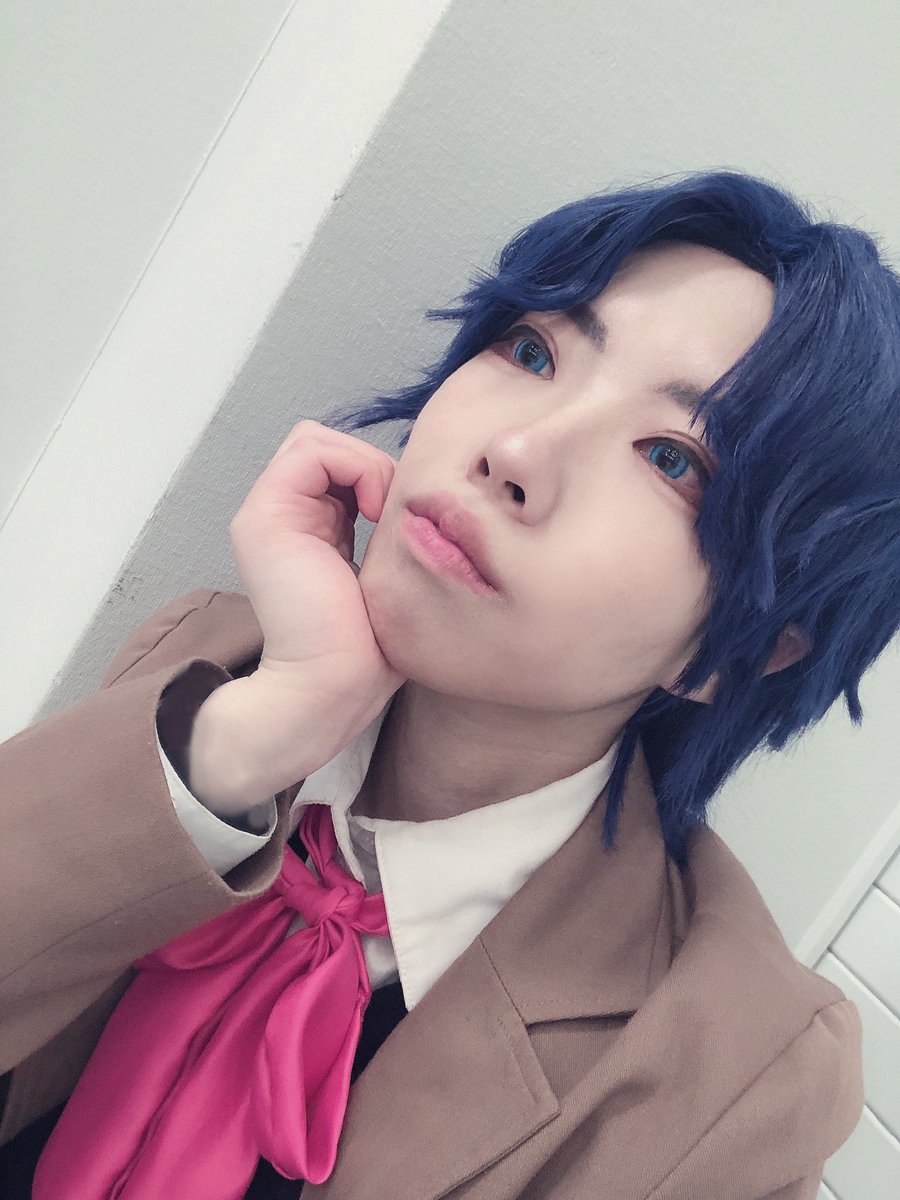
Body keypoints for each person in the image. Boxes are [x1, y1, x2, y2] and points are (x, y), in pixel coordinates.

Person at [1, 168, 896, 1198]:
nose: (514, 450)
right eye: (532, 351)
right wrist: (241, 749)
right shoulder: (207, 669)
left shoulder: (731, 1078)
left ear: (741, 651)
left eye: (672, 458)